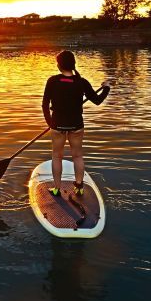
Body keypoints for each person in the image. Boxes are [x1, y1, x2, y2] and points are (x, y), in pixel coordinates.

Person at [42, 50, 111, 205]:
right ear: (73, 64)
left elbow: (45, 105)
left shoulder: (52, 81)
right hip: (76, 125)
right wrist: (106, 88)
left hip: (57, 125)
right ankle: (79, 187)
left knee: (56, 156)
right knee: (77, 156)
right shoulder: (82, 82)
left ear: (59, 65)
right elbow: (98, 101)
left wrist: (50, 123)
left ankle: (57, 189)